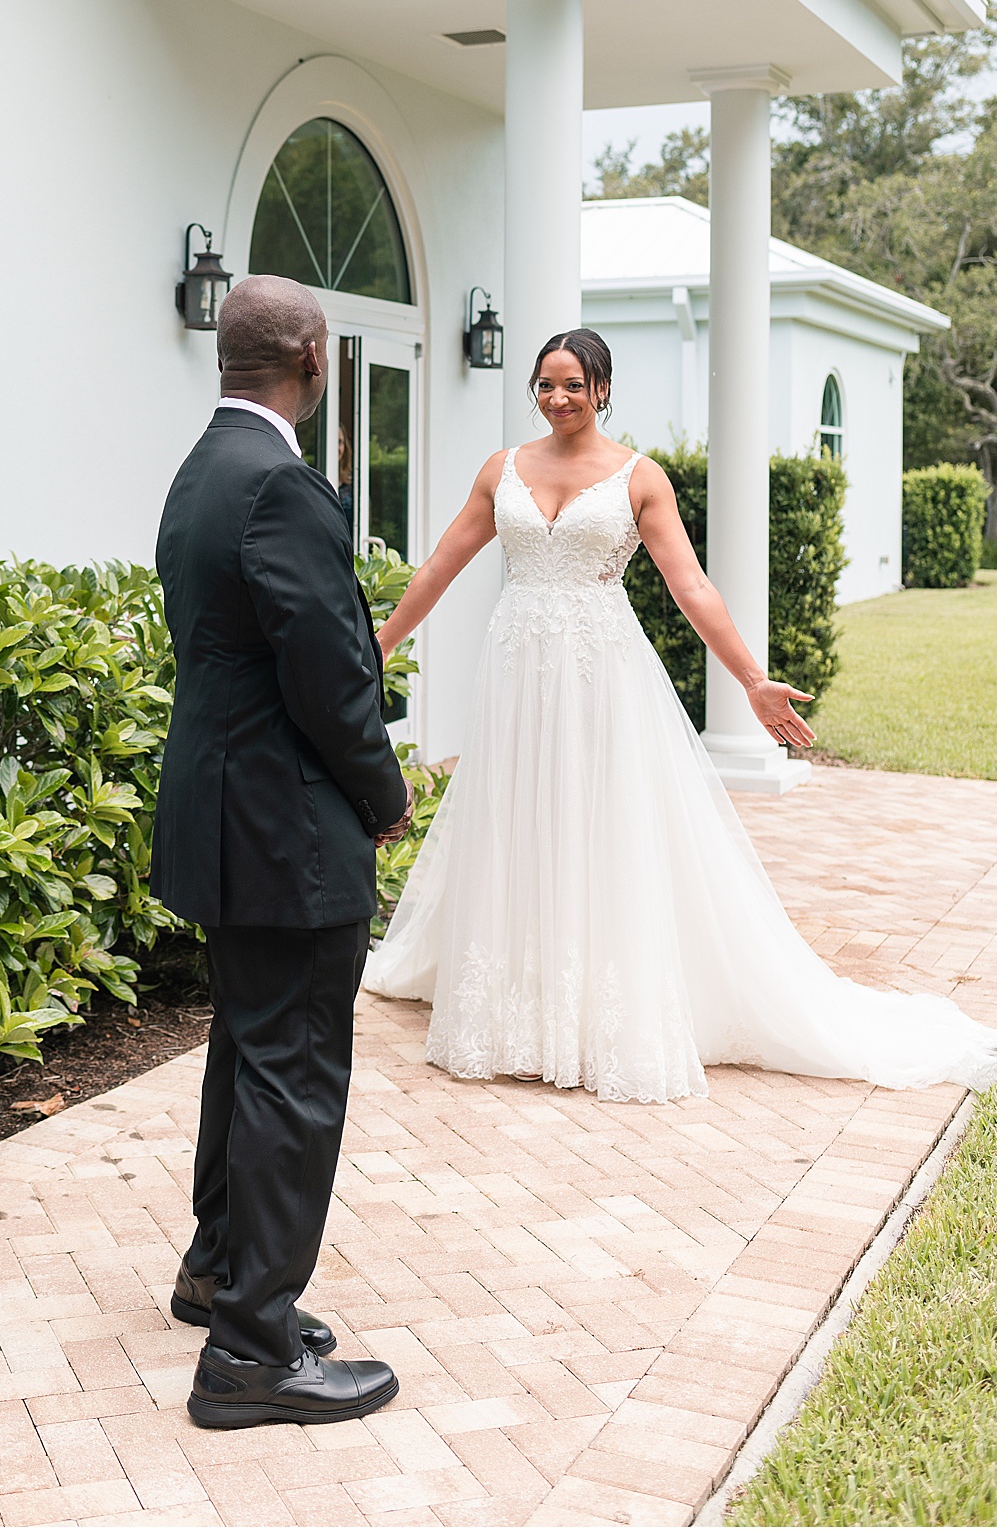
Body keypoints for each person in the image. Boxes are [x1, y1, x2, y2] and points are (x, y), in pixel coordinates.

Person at [364, 328, 996, 1102]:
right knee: (519, 815)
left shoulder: (639, 477)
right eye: (544, 384)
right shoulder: (503, 469)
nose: (557, 398)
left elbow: (691, 587)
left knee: (597, 821)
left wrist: (752, 683)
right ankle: (515, 1004)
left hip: (600, 671)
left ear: (602, 388)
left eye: (572, 384)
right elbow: (439, 565)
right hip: (518, 670)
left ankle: (597, 1005)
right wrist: (379, 645)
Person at [152, 274, 415, 1430]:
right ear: (314, 355)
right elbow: (327, 673)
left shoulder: (200, 473)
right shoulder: (283, 487)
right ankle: (253, 1352)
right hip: (287, 831)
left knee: (247, 1051)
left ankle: (218, 1272)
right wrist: (383, 790)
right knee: (295, 1076)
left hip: (222, 819)